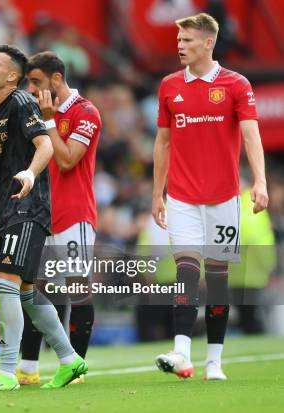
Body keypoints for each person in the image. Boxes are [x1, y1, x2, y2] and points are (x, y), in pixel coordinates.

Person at [0, 45, 87, 392]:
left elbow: (45, 145)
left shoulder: (20, 102)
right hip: (7, 209)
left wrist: (30, 174)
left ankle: (6, 372)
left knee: (5, 284)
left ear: (12, 76)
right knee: (28, 294)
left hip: (26, 207)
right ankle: (70, 359)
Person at [152, 13, 269, 381]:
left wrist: (260, 182)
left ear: (207, 43)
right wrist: (158, 193)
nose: (180, 46)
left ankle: (214, 362)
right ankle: (182, 353)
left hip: (223, 198)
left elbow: (251, 136)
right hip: (183, 197)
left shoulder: (236, 85)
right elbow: (163, 142)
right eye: (179, 40)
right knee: (186, 272)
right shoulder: (170, 86)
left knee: (217, 279)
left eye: (187, 40)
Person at [16, 51, 101, 385]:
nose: (32, 89)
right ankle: (29, 367)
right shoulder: (34, 112)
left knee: (77, 290)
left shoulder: (86, 112)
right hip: (41, 215)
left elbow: (66, 161)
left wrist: (49, 120)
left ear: (56, 79)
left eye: (35, 82)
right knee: (36, 291)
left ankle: (76, 366)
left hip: (75, 215)